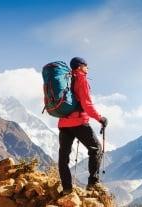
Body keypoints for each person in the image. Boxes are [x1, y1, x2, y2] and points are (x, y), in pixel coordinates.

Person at [58, 57, 108, 195]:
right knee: (96, 149)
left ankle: (67, 189)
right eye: (86, 66)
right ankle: (92, 183)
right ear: (80, 67)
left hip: (63, 123)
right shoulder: (81, 79)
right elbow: (87, 104)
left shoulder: (64, 79)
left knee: (63, 158)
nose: (87, 69)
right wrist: (100, 118)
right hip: (79, 122)